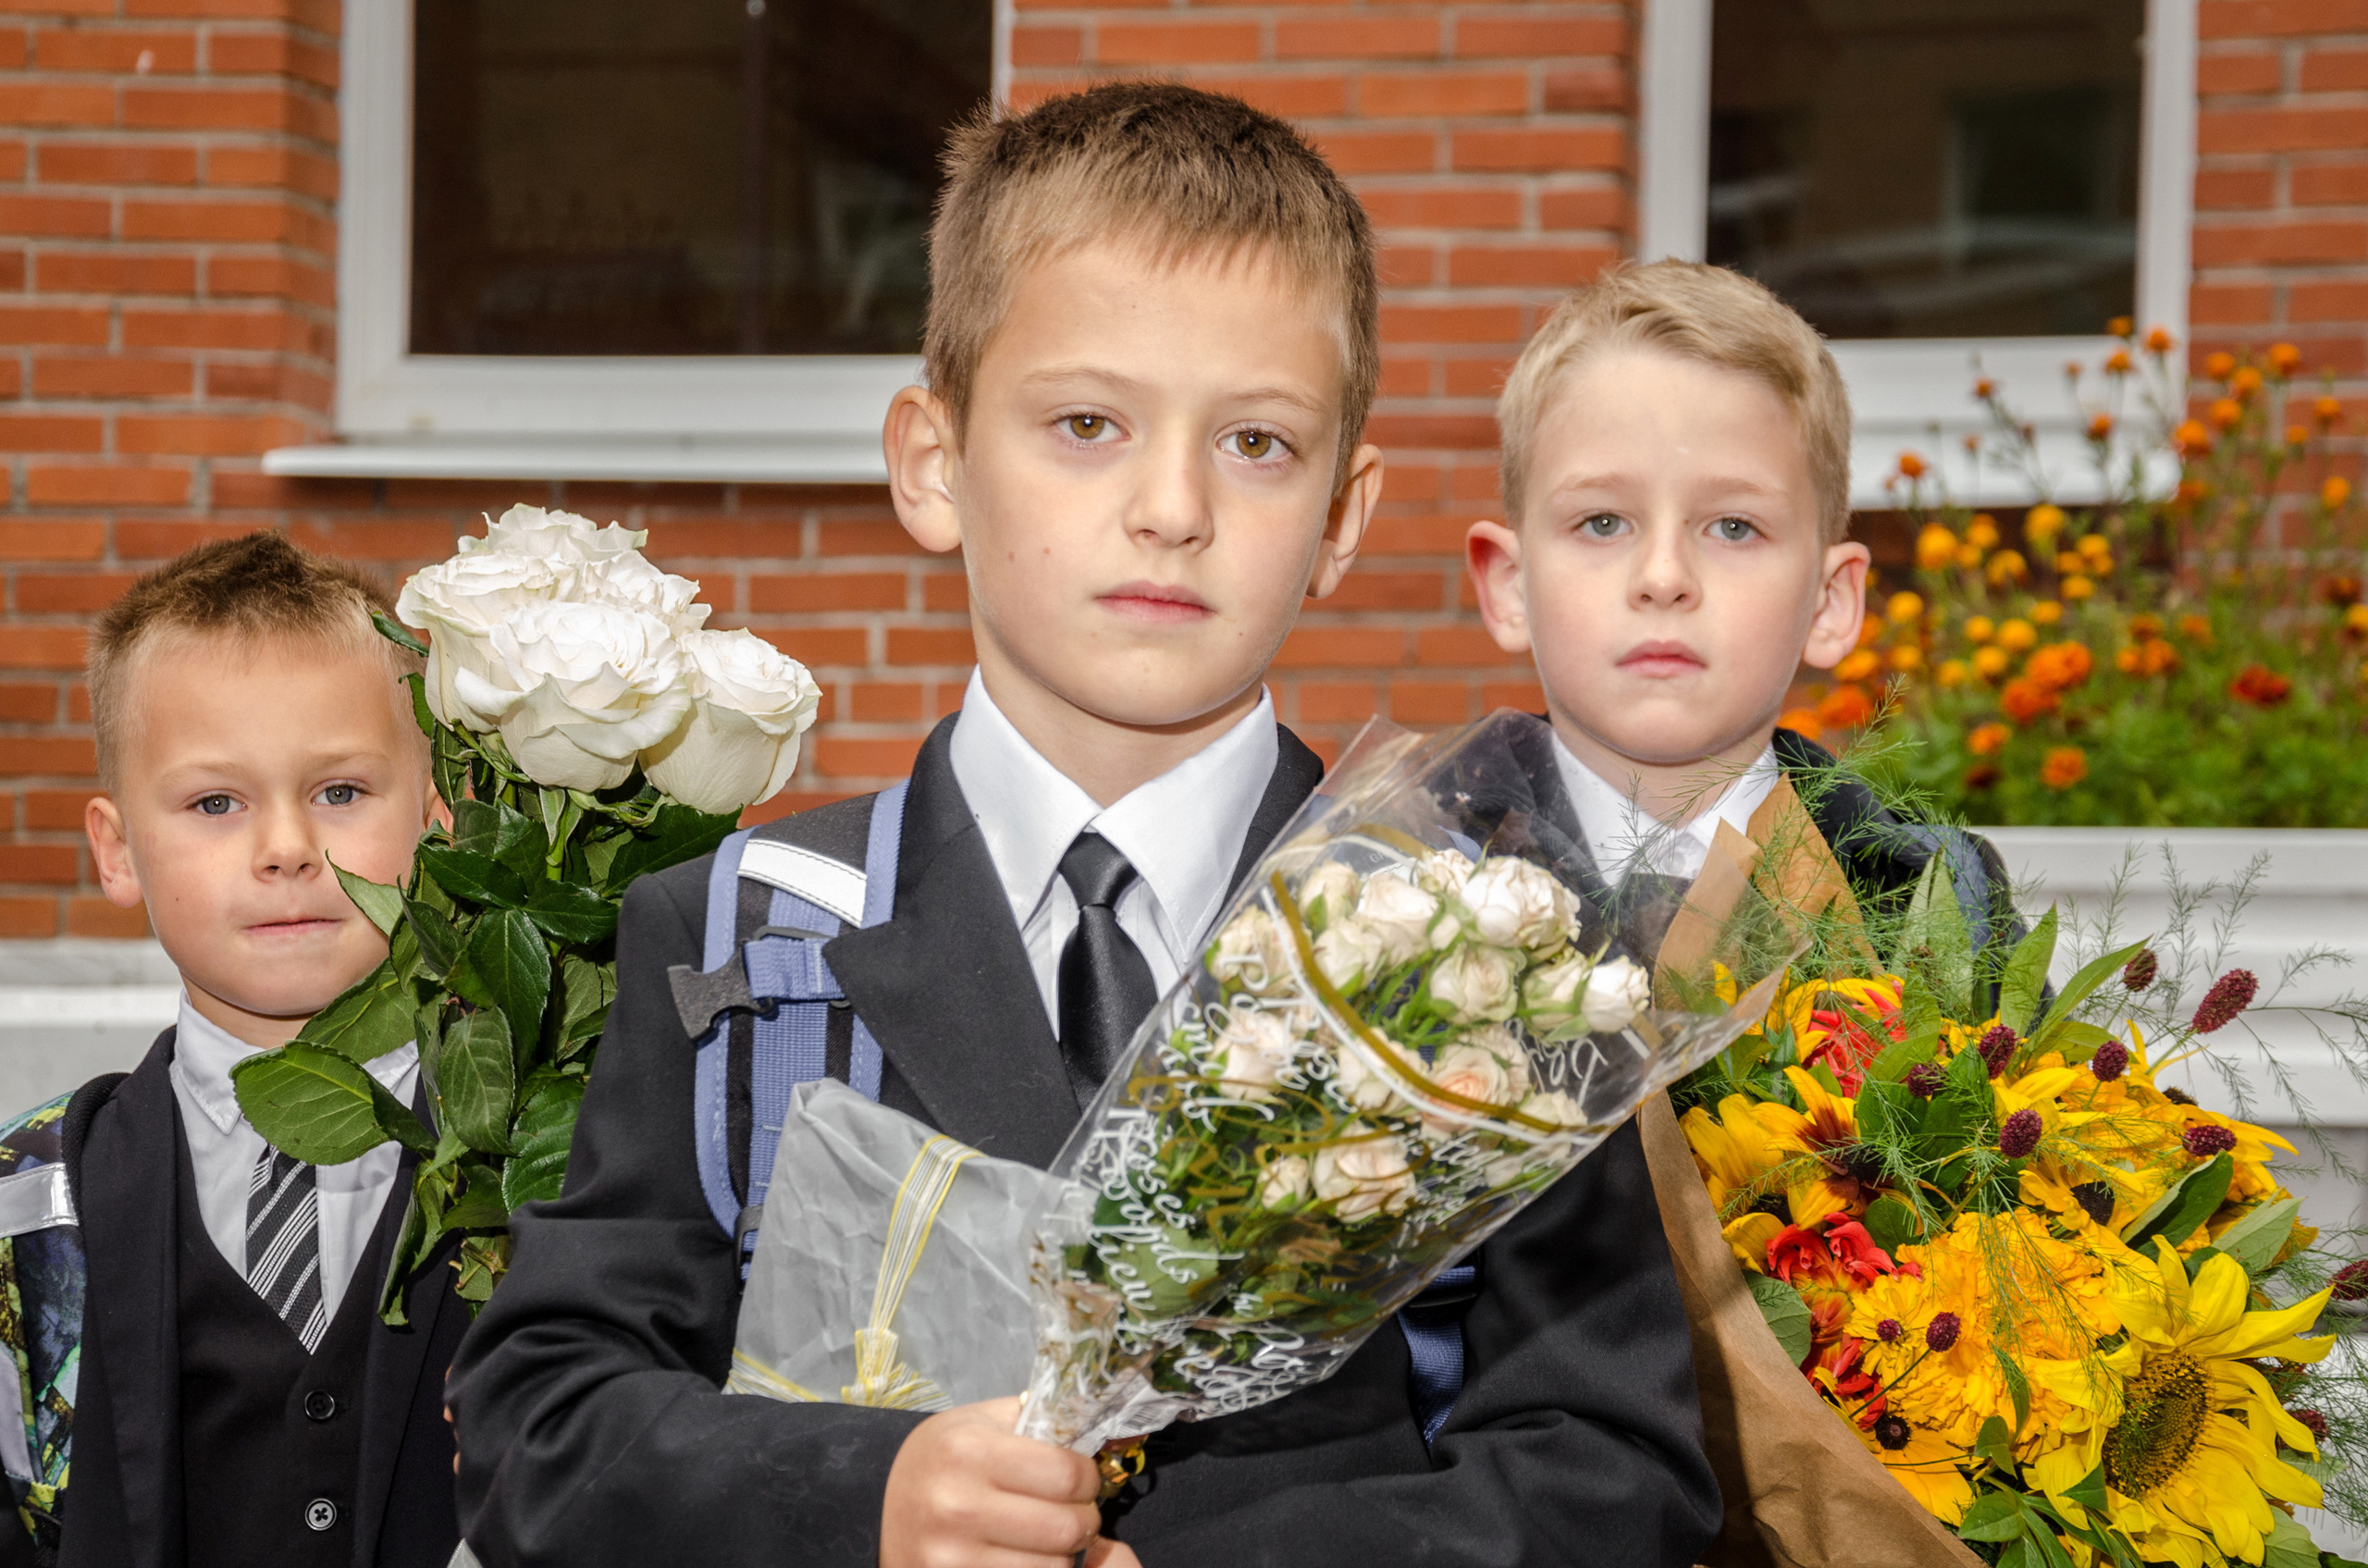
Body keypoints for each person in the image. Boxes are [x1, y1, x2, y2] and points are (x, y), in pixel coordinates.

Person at [447, 84, 1720, 1568]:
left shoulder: (1497, 951)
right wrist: (864, 1493)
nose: (1172, 506)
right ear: (933, 461)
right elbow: (541, 1425)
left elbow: (1614, 1472)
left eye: (1257, 441)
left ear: (1343, 513)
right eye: (1087, 423)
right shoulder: (742, 926)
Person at [1466, 259, 2021, 1561]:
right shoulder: (1408, 892)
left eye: (1732, 527)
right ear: (1506, 580)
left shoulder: (1926, 894)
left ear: (1831, 600)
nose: (1664, 575)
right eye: (1602, 521)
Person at [25, 531, 467, 1568]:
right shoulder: (28, 1206)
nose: (286, 849)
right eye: (215, 802)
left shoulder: (563, 1163)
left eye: (340, 792)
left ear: (437, 824)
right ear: (117, 850)